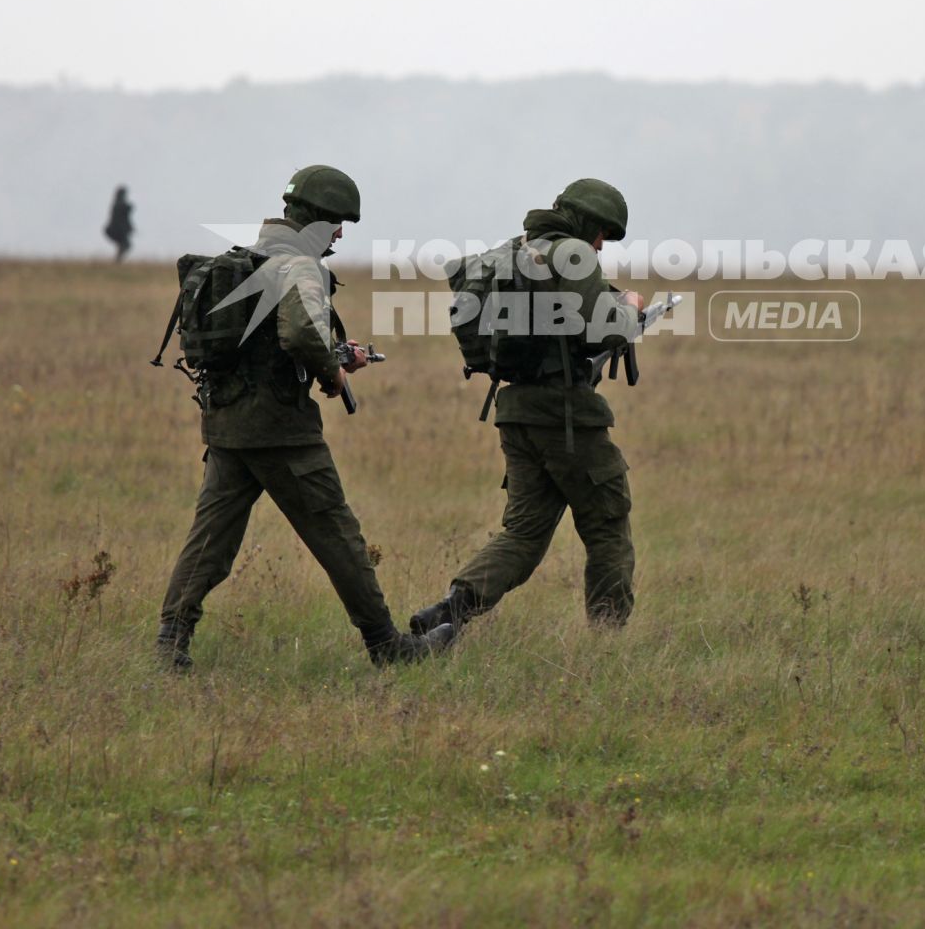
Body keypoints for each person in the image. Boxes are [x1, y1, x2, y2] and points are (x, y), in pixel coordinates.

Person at [155, 165, 455, 670]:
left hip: (228, 423)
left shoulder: (248, 259)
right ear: (317, 221)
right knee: (339, 536)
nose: (340, 234)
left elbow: (265, 339)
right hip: (282, 431)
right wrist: (334, 373)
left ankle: (171, 642)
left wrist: (334, 353)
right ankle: (388, 647)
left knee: (211, 539)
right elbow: (297, 334)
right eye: (338, 223)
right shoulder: (301, 265)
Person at [410, 179, 646, 635]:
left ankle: (449, 611)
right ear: (587, 224)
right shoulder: (570, 253)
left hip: (515, 410)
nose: (599, 248)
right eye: (601, 235)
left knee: (523, 535)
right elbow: (606, 330)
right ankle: (608, 644)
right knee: (607, 524)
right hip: (566, 416)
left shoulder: (511, 252)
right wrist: (632, 308)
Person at [104, 186, 134, 262]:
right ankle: (117, 260)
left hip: (115, 230)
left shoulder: (118, 205)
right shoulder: (119, 205)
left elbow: (125, 219)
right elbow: (122, 219)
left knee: (124, 244)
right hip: (115, 230)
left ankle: (118, 260)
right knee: (125, 244)